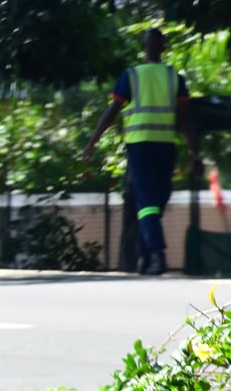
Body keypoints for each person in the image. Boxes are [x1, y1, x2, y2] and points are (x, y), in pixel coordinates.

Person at [82, 28, 200, 275]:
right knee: (151, 202)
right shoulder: (169, 77)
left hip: (144, 146)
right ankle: (156, 255)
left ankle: (147, 257)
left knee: (152, 204)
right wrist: (194, 152)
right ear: (160, 47)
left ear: (144, 46)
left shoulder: (138, 76)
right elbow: (186, 119)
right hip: (161, 146)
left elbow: (112, 110)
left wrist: (92, 141)